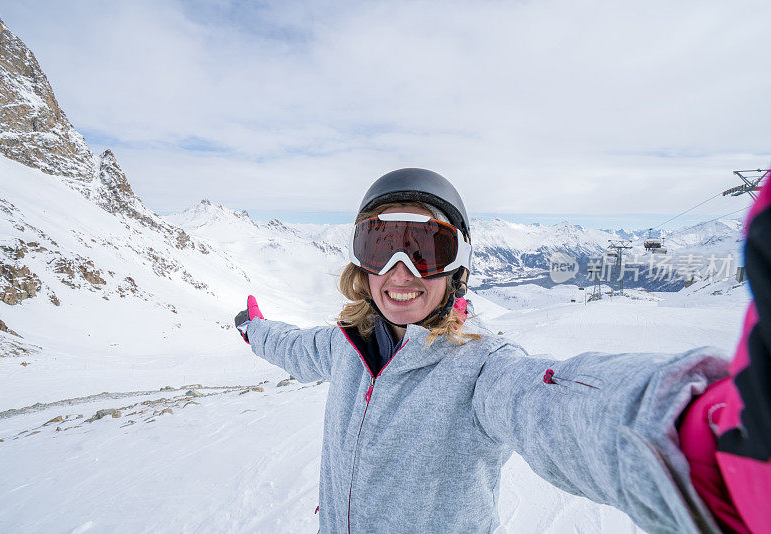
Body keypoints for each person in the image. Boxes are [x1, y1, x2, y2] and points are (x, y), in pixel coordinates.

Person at [235, 168, 770, 533]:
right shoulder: (344, 346)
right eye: (381, 246)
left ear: (456, 268)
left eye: (426, 250)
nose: (400, 271)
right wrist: (254, 330)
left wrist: (700, 440)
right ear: (361, 263)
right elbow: (293, 348)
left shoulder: (481, 370)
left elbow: (551, 408)